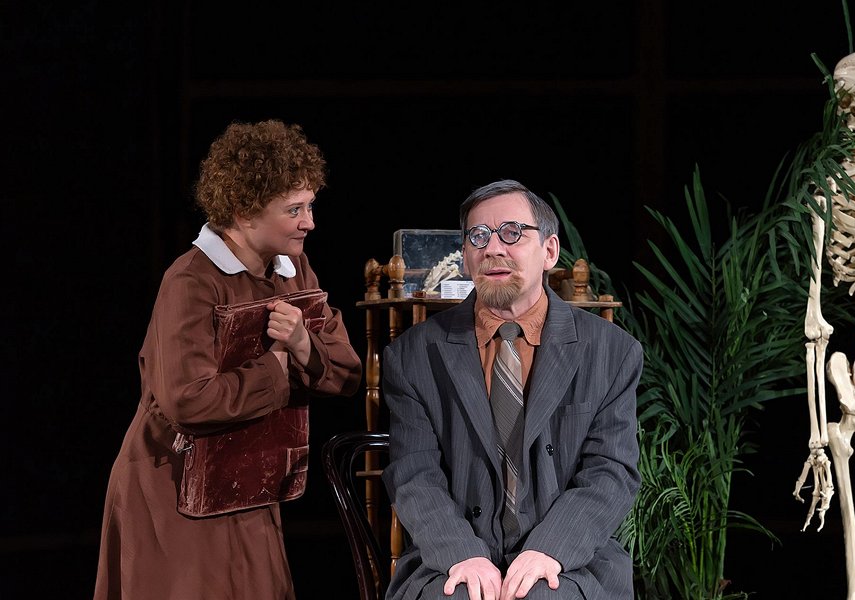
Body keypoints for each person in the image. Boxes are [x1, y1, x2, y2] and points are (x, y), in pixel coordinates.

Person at [93, 119, 362, 599]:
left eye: (310, 206)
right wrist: (277, 368)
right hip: (175, 489)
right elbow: (188, 400)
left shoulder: (293, 269)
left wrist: (303, 343)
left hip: (246, 483)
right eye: (294, 209)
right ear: (244, 210)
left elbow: (346, 372)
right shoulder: (191, 281)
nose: (309, 222)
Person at [382, 179, 642, 600]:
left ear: (550, 251)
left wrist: (549, 550)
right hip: (451, 557)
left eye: (512, 233)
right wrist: (462, 555)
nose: (492, 248)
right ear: (465, 256)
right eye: (478, 236)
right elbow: (414, 474)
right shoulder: (413, 355)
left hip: (571, 559)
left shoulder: (611, 352)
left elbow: (610, 471)